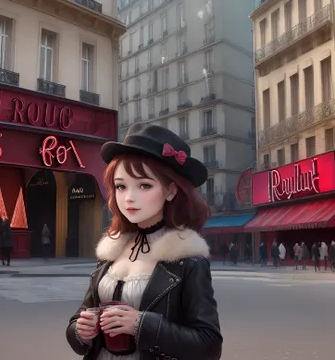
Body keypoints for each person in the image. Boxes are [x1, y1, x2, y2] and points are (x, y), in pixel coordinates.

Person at [66, 123, 223, 360]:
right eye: (121, 186)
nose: (129, 197)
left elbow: (209, 346)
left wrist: (142, 324)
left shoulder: (188, 258)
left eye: (144, 185)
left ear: (171, 191)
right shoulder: (112, 250)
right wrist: (80, 330)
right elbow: (81, 319)